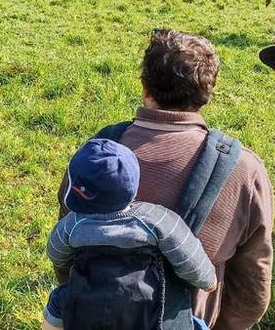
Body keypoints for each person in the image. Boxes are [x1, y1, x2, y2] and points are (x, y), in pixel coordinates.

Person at [58, 29, 274, 330]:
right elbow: (253, 282)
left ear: (145, 88)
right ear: (207, 94)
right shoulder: (244, 169)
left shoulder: (94, 157)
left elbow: (66, 250)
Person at [44, 138, 216, 330]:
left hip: (89, 300)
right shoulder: (155, 218)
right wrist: (208, 281)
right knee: (194, 323)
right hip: (152, 302)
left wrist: (64, 261)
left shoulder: (73, 224)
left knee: (58, 302)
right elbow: (187, 253)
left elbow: (55, 252)